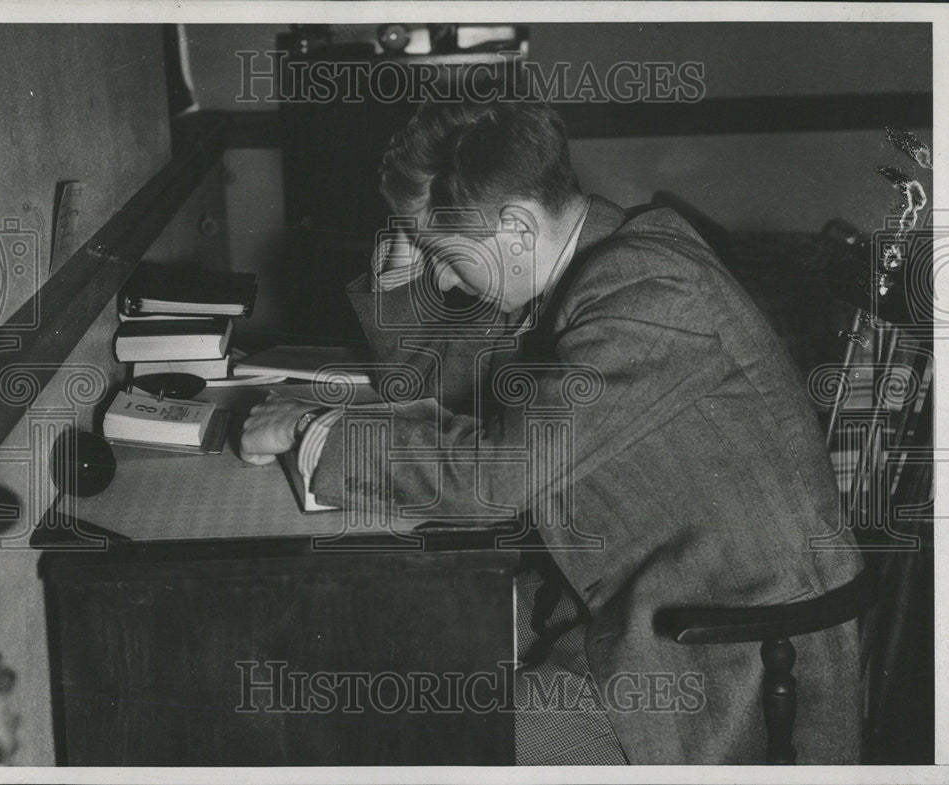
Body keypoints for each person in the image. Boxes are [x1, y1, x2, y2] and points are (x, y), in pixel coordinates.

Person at [240, 99, 864, 764]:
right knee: (382, 647)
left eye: (443, 254)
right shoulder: (595, 261)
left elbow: (494, 477)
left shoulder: (643, 292)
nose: (443, 279)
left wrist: (313, 432)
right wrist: (403, 258)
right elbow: (446, 387)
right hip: (622, 607)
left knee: (420, 742)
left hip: (722, 655)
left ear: (514, 225)